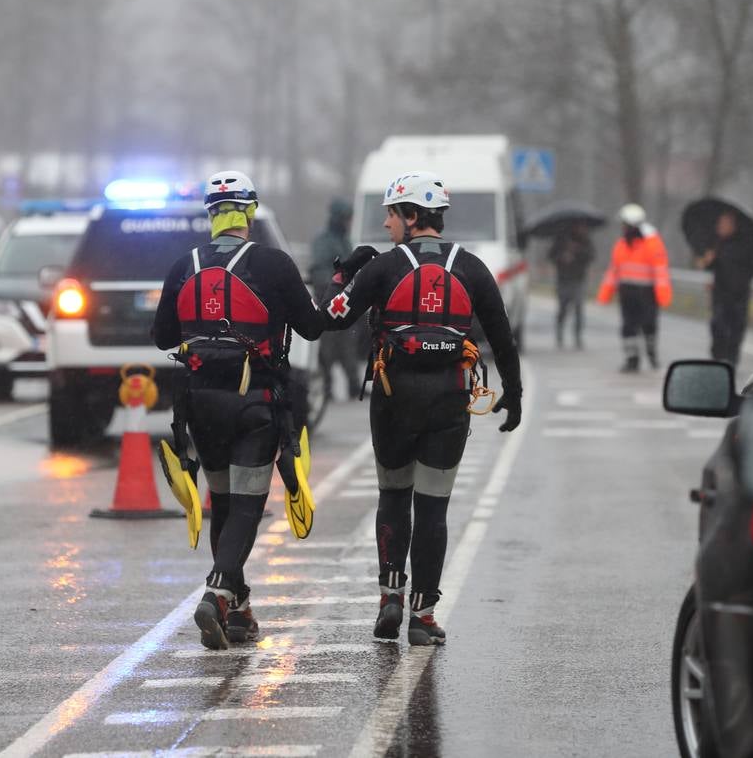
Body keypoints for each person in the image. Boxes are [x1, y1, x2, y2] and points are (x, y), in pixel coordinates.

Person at [317, 172, 522, 646]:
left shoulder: (383, 268)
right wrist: (514, 394)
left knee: (393, 495)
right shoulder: (470, 267)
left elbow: (330, 318)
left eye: (391, 214)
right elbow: (501, 336)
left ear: (411, 216)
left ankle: (390, 595)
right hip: (448, 400)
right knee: (433, 506)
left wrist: (344, 275)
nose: (387, 224)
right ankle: (424, 615)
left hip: (393, 398)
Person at [152, 170, 326, 650]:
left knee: (224, 505)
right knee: (248, 506)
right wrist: (340, 287)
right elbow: (311, 327)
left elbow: (163, 337)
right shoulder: (275, 264)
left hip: (200, 404)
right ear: (249, 212)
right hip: (256, 401)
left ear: (210, 213)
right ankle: (217, 590)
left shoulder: (183, 265)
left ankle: (237, 610)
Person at [596, 203, 672, 373]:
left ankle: (652, 355)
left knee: (648, 326)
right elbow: (614, 271)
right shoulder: (622, 245)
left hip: (647, 293)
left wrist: (663, 296)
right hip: (627, 292)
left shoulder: (652, 244)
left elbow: (660, 272)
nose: (622, 228)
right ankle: (632, 360)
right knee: (628, 327)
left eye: (624, 224)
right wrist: (604, 295)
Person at [693, 210, 753, 369]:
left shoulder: (746, 244)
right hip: (720, 293)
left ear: (733, 225)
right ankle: (717, 358)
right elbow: (707, 266)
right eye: (720, 224)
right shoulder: (716, 243)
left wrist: (747, 277)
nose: (721, 227)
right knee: (717, 325)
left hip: (740, 293)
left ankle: (731, 361)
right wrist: (707, 260)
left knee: (736, 328)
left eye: (725, 224)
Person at [309, 198, 363, 399]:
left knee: (349, 345)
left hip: (345, 302)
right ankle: (327, 389)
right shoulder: (323, 241)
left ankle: (354, 386)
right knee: (328, 349)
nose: (350, 223)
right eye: (347, 219)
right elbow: (320, 270)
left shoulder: (344, 239)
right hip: (328, 300)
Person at [548, 222, 595, 349]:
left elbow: (591, 255)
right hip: (563, 279)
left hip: (578, 279)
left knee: (579, 309)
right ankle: (559, 334)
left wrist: (577, 251)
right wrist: (562, 257)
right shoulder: (561, 239)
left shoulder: (585, 240)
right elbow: (551, 255)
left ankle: (578, 337)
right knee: (563, 308)